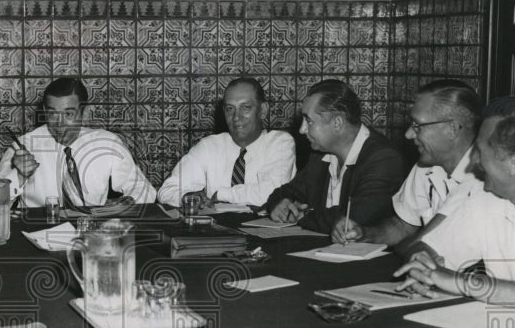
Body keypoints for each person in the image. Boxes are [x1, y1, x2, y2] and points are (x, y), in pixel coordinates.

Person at [395, 99, 515, 318]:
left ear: (513, 164)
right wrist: (422, 269)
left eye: (479, 151)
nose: (472, 162)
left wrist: (461, 283)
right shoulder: (487, 197)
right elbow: (427, 248)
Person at [331, 79, 483, 246]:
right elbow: (402, 226)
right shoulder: (426, 165)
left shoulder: (485, 179)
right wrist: (363, 234)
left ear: (452, 129)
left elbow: (421, 244)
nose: (408, 134)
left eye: (418, 125)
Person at [0, 77, 156, 208]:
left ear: (85, 113)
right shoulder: (24, 145)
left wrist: (123, 204)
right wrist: (18, 176)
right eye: (52, 114)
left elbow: (144, 190)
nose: (59, 123)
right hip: (38, 234)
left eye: (69, 114)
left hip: (91, 234)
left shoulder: (108, 143)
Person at [265, 79, 404, 234]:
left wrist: (303, 215)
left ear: (337, 123)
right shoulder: (320, 154)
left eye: (309, 121)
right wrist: (278, 205)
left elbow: (356, 218)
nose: (302, 130)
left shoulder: (384, 158)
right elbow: (286, 192)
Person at [156, 77, 295, 208]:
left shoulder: (280, 143)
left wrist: (221, 195)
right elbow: (167, 190)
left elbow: (271, 193)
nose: (236, 117)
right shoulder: (209, 146)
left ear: (263, 110)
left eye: (245, 107)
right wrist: (187, 197)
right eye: (230, 109)